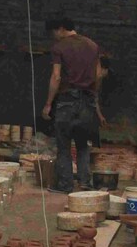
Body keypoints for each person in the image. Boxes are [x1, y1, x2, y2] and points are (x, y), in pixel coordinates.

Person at [41, 17, 105, 192]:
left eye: (53, 32)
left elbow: (56, 76)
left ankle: (65, 185)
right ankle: (85, 183)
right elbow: (99, 75)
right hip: (87, 101)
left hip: (67, 101)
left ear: (60, 28)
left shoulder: (59, 47)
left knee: (63, 146)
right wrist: (94, 98)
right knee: (83, 145)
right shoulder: (92, 45)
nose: (53, 37)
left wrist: (48, 103)